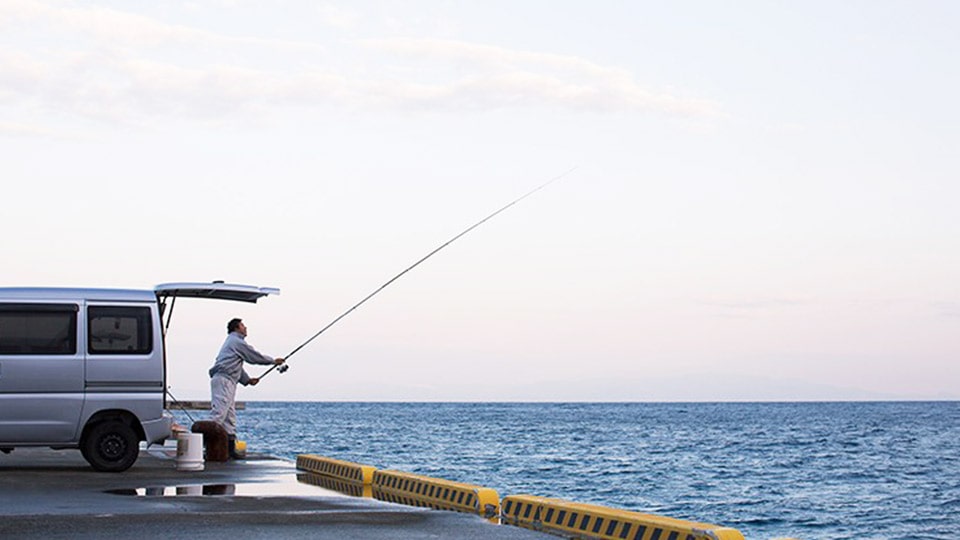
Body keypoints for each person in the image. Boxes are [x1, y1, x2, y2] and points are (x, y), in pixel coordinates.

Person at [208, 318, 284, 458]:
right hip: (224, 380)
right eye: (242, 325)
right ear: (236, 328)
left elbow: (236, 365)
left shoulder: (232, 343)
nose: (245, 327)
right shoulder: (236, 341)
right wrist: (273, 361)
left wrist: (247, 380)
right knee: (219, 414)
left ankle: (229, 449)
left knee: (229, 417)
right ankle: (208, 447)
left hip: (228, 380)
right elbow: (254, 356)